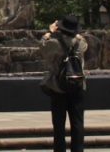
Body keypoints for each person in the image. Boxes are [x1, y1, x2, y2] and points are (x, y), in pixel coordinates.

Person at [39, 14, 88, 152]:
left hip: (58, 88)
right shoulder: (81, 42)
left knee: (59, 126)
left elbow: (42, 46)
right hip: (77, 86)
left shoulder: (54, 43)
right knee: (78, 123)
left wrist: (50, 32)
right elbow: (82, 43)